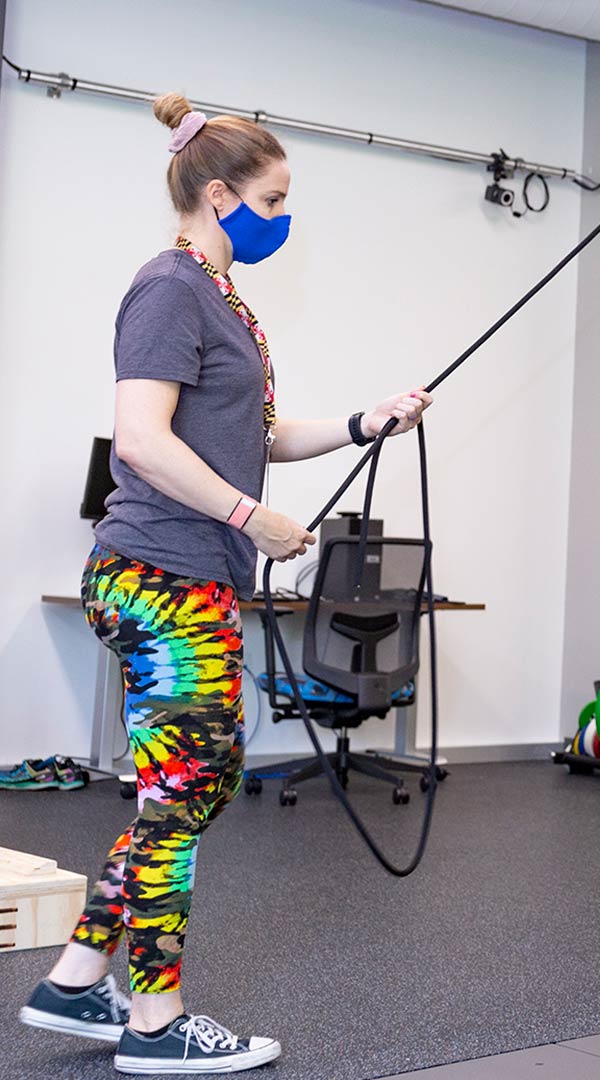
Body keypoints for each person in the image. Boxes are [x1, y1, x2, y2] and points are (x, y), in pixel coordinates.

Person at [15, 93, 432, 1074]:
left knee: (183, 789)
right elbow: (141, 440)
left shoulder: (226, 297)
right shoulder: (169, 289)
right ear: (218, 193)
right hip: (157, 575)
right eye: (274, 197)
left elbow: (262, 438)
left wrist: (365, 423)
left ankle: (75, 983)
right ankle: (155, 1028)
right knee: (187, 789)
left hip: (188, 576)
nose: (284, 217)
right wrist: (252, 517)